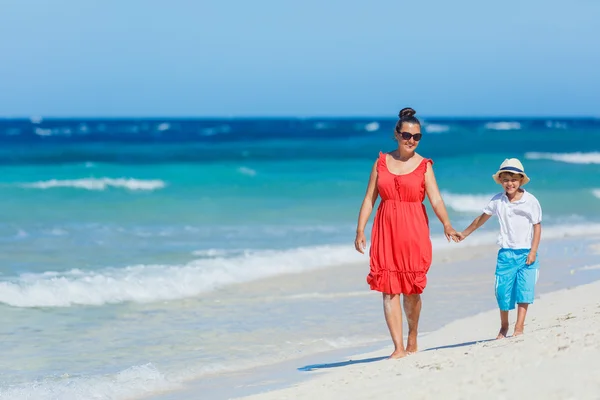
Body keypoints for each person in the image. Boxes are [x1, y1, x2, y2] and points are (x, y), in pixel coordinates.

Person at [354, 107, 459, 359]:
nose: (411, 140)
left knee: (411, 290)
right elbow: (370, 198)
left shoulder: (424, 165)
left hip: (414, 230)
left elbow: (435, 199)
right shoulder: (380, 163)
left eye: (416, 137)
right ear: (397, 134)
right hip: (386, 229)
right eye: (406, 135)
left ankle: (412, 335)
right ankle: (398, 347)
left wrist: (446, 224)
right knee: (389, 288)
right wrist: (360, 229)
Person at [456, 158, 542, 339]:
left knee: (524, 291)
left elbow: (537, 226)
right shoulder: (497, 201)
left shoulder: (530, 201)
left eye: (513, 179)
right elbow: (481, 219)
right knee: (502, 292)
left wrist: (533, 251)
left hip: (526, 252)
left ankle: (519, 326)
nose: (509, 183)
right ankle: (504, 326)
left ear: (520, 180)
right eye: (505, 179)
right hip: (506, 254)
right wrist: (464, 233)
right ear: (501, 181)